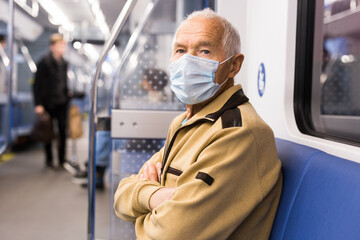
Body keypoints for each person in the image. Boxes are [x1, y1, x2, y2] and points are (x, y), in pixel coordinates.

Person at [113, 8, 282, 240]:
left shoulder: (238, 133)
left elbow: (172, 234)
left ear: (233, 65)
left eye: (204, 51)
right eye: (180, 50)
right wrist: (154, 197)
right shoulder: (184, 122)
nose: (187, 61)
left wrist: (142, 202)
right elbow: (120, 196)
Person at [32, 33, 71, 168]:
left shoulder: (64, 63)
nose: (63, 48)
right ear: (52, 47)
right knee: (47, 131)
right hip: (47, 102)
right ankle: (49, 159)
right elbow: (37, 85)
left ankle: (61, 159)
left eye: (64, 46)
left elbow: (63, 82)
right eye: (60, 46)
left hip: (62, 102)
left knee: (62, 130)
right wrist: (38, 104)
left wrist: (68, 94)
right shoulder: (44, 62)